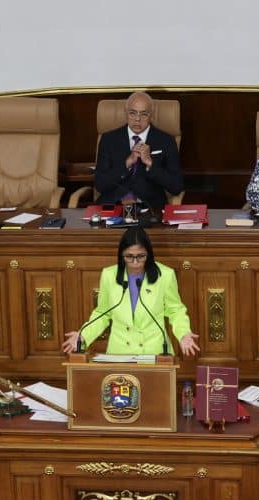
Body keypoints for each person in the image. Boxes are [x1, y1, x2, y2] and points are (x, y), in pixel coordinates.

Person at [61, 227, 199, 356]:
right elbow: (102, 313)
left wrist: (183, 334)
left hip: (155, 352)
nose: (135, 262)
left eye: (140, 256)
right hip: (119, 353)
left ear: (149, 254)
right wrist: (83, 335)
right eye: (129, 256)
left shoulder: (165, 275)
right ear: (121, 255)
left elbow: (175, 311)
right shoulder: (109, 275)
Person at [93, 91, 183, 212]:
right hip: (113, 206)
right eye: (132, 113)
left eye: (144, 114)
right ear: (126, 113)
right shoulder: (108, 139)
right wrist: (127, 163)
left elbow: (176, 186)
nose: (137, 119)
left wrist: (151, 164)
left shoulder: (166, 141)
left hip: (151, 208)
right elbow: (100, 184)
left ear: (151, 116)